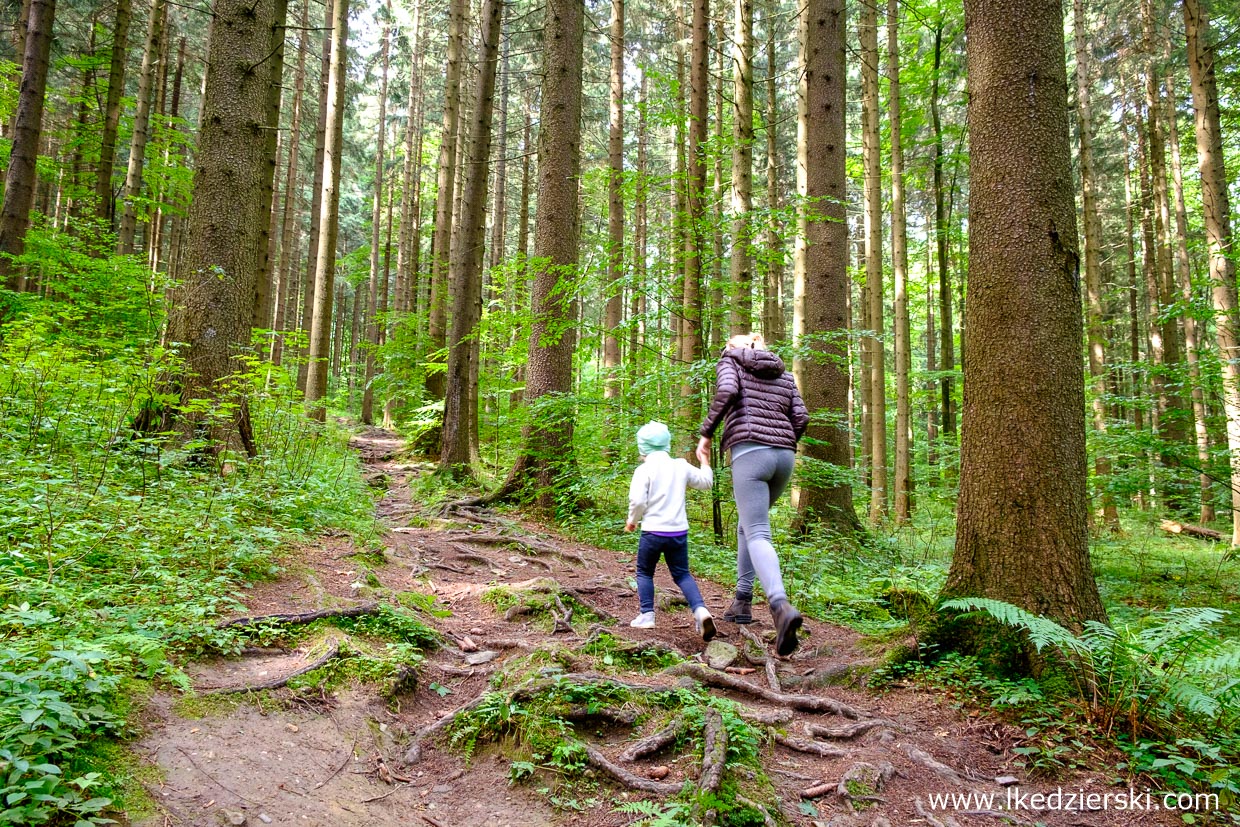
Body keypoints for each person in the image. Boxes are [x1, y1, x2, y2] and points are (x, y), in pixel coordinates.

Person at [696, 333, 808, 656]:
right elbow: (800, 418)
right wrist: (783, 441)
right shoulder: (783, 372)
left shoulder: (730, 362)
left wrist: (706, 435)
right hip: (784, 459)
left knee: (758, 531)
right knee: (748, 524)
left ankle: (780, 607)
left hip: (750, 452)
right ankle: (742, 601)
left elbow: (728, 391)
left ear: (733, 348)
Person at [625, 421, 716, 642]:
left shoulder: (643, 469)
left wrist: (632, 521)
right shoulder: (681, 465)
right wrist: (704, 462)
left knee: (645, 572)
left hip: (653, 533)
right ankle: (701, 611)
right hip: (678, 533)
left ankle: (647, 615)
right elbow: (706, 483)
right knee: (682, 574)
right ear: (666, 444)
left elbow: (637, 501)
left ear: (643, 447)